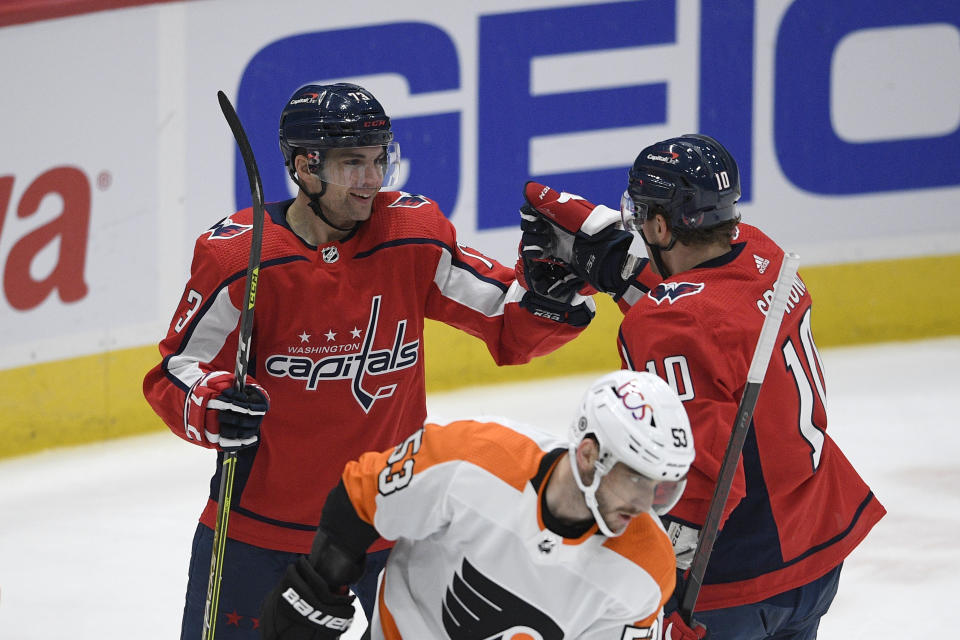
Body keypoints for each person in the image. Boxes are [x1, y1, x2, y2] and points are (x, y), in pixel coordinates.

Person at [142, 82, 595, 640]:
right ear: (306, 167)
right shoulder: (242, 256)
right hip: (260, 534)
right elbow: (174, 372)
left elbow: (506, 324)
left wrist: (552, 294)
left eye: (380, 159)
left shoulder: (412, 234)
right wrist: (212, 408)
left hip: (396, 518)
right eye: (353, 162)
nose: (373, 179)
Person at [519, 134, 886, 639]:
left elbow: (701, 476)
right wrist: (612, 266)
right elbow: (710, 315)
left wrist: (665, 592)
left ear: (661, 225)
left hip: (740, 575)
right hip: (818, 543)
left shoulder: (671, 326)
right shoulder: (764, 253)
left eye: (643, 215)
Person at [258, 369, 696, 640]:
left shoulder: (648, 567)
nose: (645, 504)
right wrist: (320, 586)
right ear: (588, 454)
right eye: (637, 478)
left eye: (660, 487)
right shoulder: (469, 461)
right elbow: (362, 495)